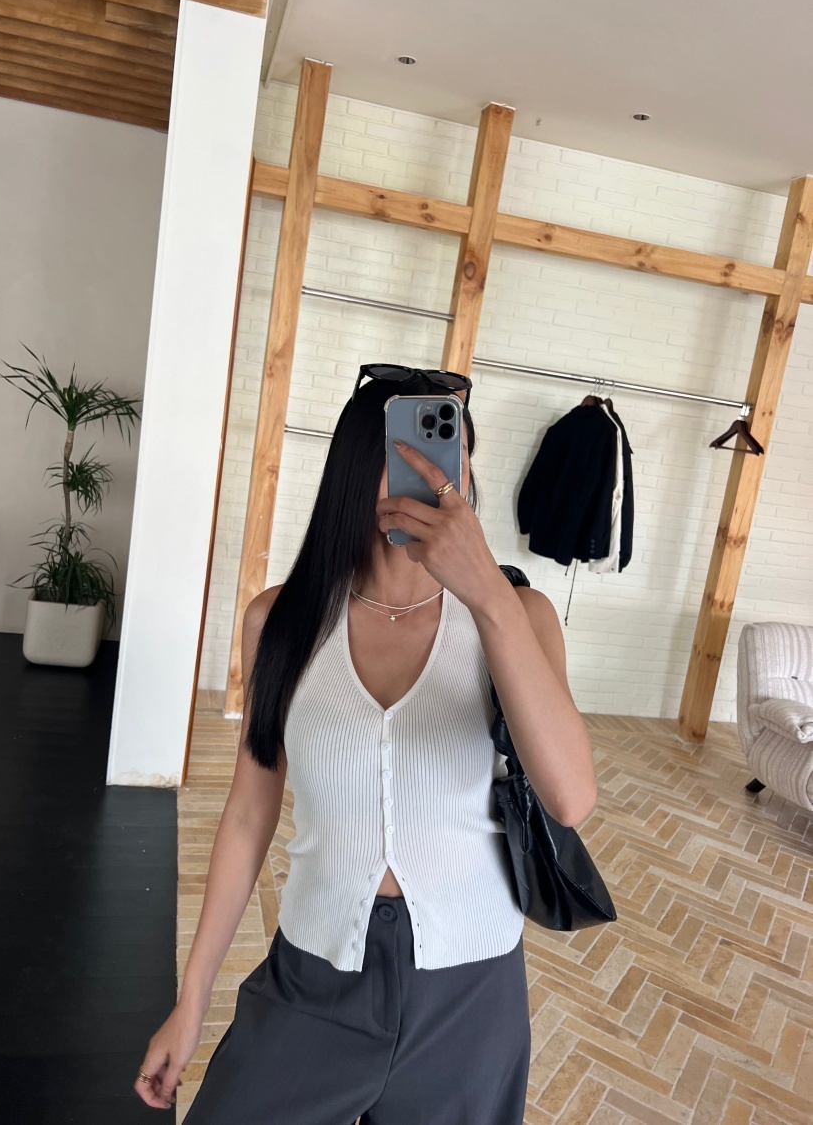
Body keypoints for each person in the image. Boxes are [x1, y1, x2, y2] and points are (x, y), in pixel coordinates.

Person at [134, 366, 597, 1123]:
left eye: (448, 452)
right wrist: (192, 1002)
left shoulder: (521, 615)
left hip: (470, 995)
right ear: (355, 467)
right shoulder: (280, 622)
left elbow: (571, 798)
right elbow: (249, 815)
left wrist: (487, 592)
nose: (431, 475)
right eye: (406, 451)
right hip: (314, 975)